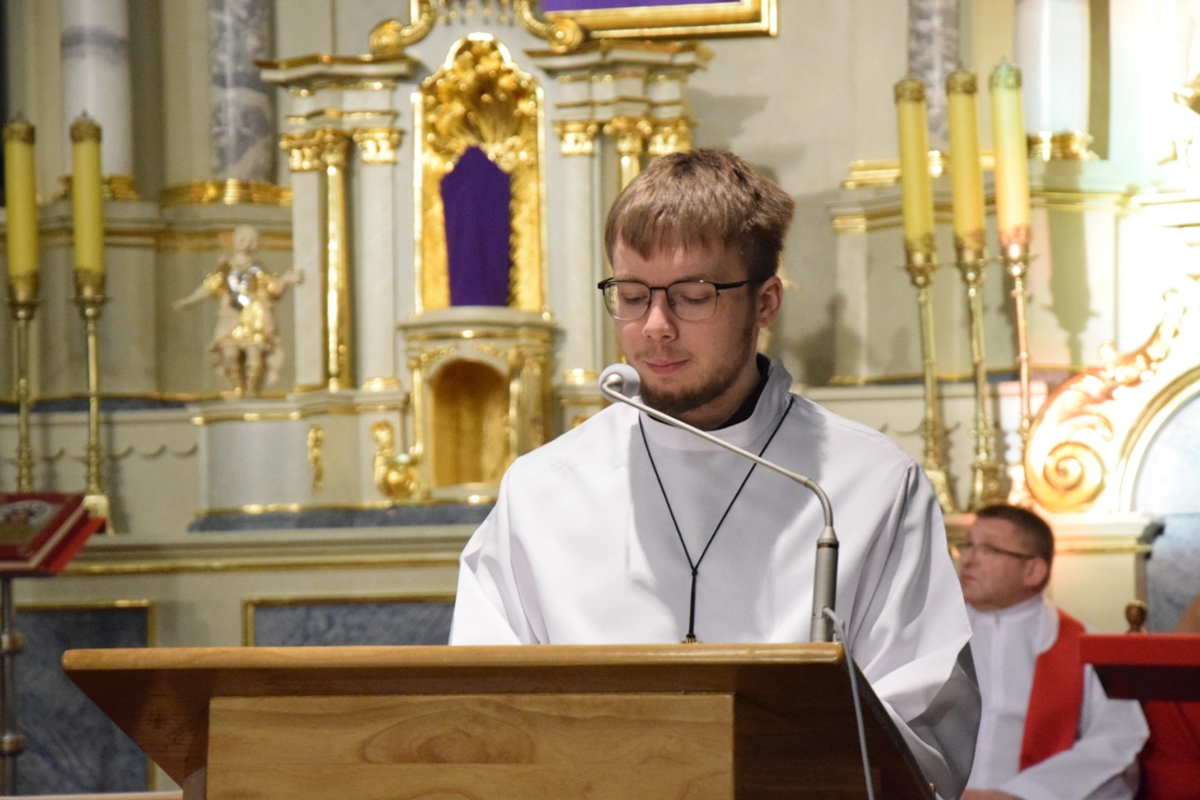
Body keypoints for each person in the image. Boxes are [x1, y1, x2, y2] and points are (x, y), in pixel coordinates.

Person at [450, 149, 980, 796]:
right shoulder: (543, 490)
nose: (655, 328)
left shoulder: (866, 486)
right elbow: (481, 715)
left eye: (693, 297)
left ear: (765, 302)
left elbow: (925, 732)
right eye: (632, 296)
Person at [958, 504, 1148, 800]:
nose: (968, 559)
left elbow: (1117, 744)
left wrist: (1021, 795)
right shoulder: (933, 640)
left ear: (1033, 570)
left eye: (989, 549)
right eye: (967, 545)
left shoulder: (1087, 648)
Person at [173, 224, 303, 396]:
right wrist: (189, 301)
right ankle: (238, 388)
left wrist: (286, 280)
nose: (243, 241)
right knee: (229, 354)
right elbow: (209, 287)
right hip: (231, 317)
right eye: (240, 237)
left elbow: (272, 289)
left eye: (248, 238)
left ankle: (251, 391)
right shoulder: (225, 267)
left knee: (254, 354)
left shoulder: (256, 267)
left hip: (253, 317)